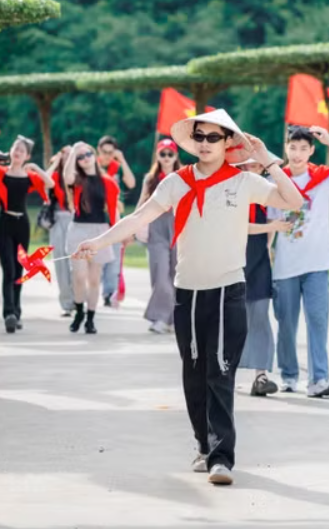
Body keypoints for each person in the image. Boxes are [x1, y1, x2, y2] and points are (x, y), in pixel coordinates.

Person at [72, 110, 303, 486]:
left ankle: (221, 458)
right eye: (201, 137)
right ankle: (202, 444)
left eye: (214, 138)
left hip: (229, 289)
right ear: (193, 140)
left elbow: (292, 200)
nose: (206, 144)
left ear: (227, 142)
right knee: (194, 376)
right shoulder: (176, 182)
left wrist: (269, 160)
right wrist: (97, 242)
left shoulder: (243, 181)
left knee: (221, 373)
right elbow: (138, 218)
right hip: (189, 293)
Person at [270, 125, 329, 398]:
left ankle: (319, 380)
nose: (297, 154)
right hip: (285, 265)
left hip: (317, 265)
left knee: (318, 321)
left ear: (311, 151)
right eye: (293, 148)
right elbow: (269, 223)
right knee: (286, 323)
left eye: (303, 148)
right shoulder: (275, 181)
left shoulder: (322, 178)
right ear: (286, 148)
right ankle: (288, 375)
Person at [0, 136, 52, 334]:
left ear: (27, 156)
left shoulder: (30, 177)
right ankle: (8, 313)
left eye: (22, 151)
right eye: (15, 148)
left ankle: (17, 311)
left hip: (22, 224)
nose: (17, 152)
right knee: (8, 270)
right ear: (11, 151)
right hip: (4, 223)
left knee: (18, 272)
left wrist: (35, 167)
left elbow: (49, 183)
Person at [236, 159, 292, 397]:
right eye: (246, 166)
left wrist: (268, 247)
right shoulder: (231, 191)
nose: (251, 170)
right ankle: (223, 372)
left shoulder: (269, 195)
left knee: (260, 317)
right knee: (231, 321)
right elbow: (240, 227)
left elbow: (272, 229)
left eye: (256, 166)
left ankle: (260, 376)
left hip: (258, 263)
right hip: (231, 263)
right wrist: (272, 228)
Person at [63, 141, 122, 334]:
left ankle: (90, 318)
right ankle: (79, 310)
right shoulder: (76, 180)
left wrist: (120, 232)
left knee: (95, 279)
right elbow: (67, 176)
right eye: (80, 157)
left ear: (93, 155)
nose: (85, 158)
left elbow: (114, 210)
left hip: (100, 230)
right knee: (79, 276)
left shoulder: (107, 182)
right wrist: (73, 151)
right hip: (78, 229)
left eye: (87, 154)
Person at [137, 138, 181, 334]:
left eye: (170, 154)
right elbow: (141, 203)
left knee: (176, 276)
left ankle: (171, 319)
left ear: (176, 156)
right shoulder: (150, 179)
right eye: (162, 154)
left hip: (178, 226)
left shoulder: (183, 177)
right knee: (160, 274)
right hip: (157, 227)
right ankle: (161, 318)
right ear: (157, 156)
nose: (166, 158)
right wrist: (130, 228)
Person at [95, 135, 135, 307]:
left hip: (116, 218)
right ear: (98, 150)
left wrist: (122, 159)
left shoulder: (117, 168)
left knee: (114, 259)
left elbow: (131, 183)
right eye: (104, 152)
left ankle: (109, 293)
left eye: (111, 153)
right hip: (96, 219)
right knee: (98, 258)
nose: (107, 156)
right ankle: (93, 290)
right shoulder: (92, 166)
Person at [47, 146, 75, 318]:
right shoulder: (55, 176)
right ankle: (66, 302)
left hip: (77, 220)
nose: (67, 157)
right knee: (60, 262)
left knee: (77, 264)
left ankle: (79, 299)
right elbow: (43, 180)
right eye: (64, 154)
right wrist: (56, 161)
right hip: (58, 219)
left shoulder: (79, 175)